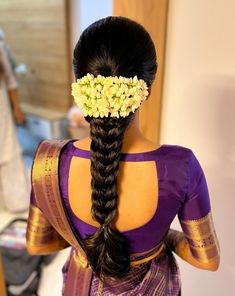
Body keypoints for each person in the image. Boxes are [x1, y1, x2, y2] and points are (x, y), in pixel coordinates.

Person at [26, 16, 220, 295]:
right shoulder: (180, 167)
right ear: (145, 90)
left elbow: (38, 244)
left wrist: (86, 241)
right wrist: (162, 237)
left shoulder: (50, 162)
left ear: (82, 89)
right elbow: (207, 260)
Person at [0, 36, 29, 212]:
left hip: (2, 111)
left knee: (8, 149)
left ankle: (17, 199)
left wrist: (17, 108)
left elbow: (11, 81)